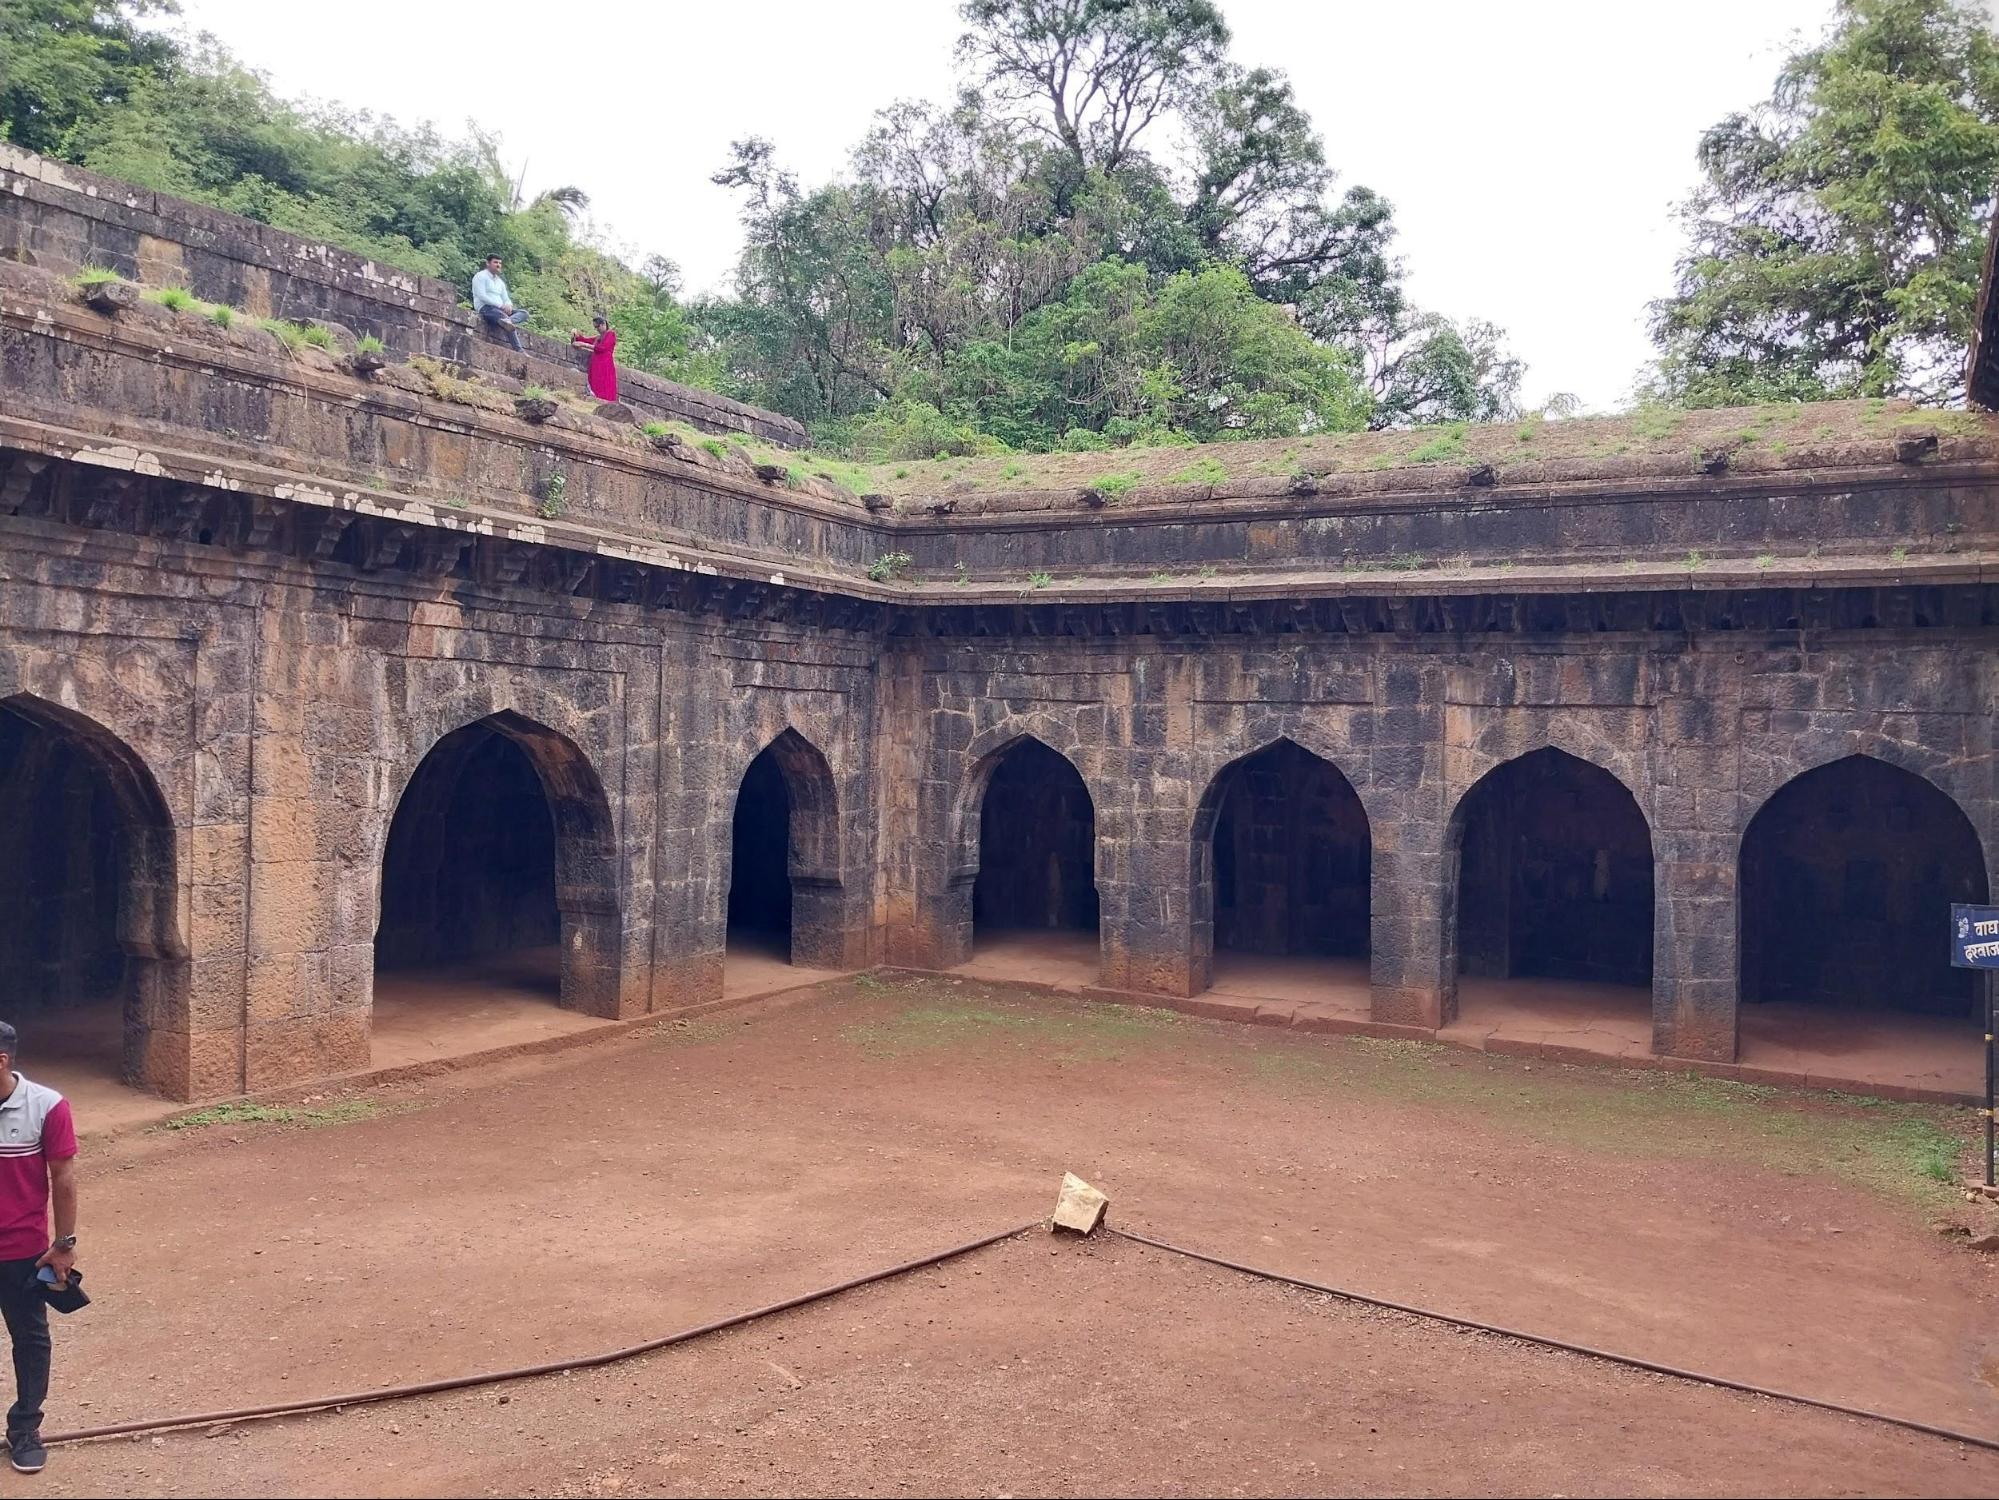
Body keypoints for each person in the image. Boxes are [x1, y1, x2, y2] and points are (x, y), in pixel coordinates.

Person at [0, 1025, 77, 1476]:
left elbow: (63, 1177)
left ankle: (25, 1428)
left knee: (30, 1340)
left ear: (2, 1061)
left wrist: (64, 1245)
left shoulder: (47, 1106)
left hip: (21, 1252)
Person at [471, 255, 529, 352]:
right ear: (488, 263)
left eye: (499, 263)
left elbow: (506, 298)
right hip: (486, 308)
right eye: (495, 262)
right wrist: (500, 305)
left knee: (524, 313)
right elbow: (481, 296)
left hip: (500, 310)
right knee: (504, 317)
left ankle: (507, 321)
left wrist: (508, 305)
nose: (498, 265)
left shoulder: (500, 282)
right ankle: (519, 350)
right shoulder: (480, 276)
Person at [571, 314, 619, 402]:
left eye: (597, 326)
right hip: (596, 363)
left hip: (605, 364)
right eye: (595, 327)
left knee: (604, 384)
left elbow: (602, 348)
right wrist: (577, 336)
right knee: (595, 382)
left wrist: (584, 345)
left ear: (603, 324)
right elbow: (587, 340)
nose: (597, 329)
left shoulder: (610, 334)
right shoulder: (598, 337)